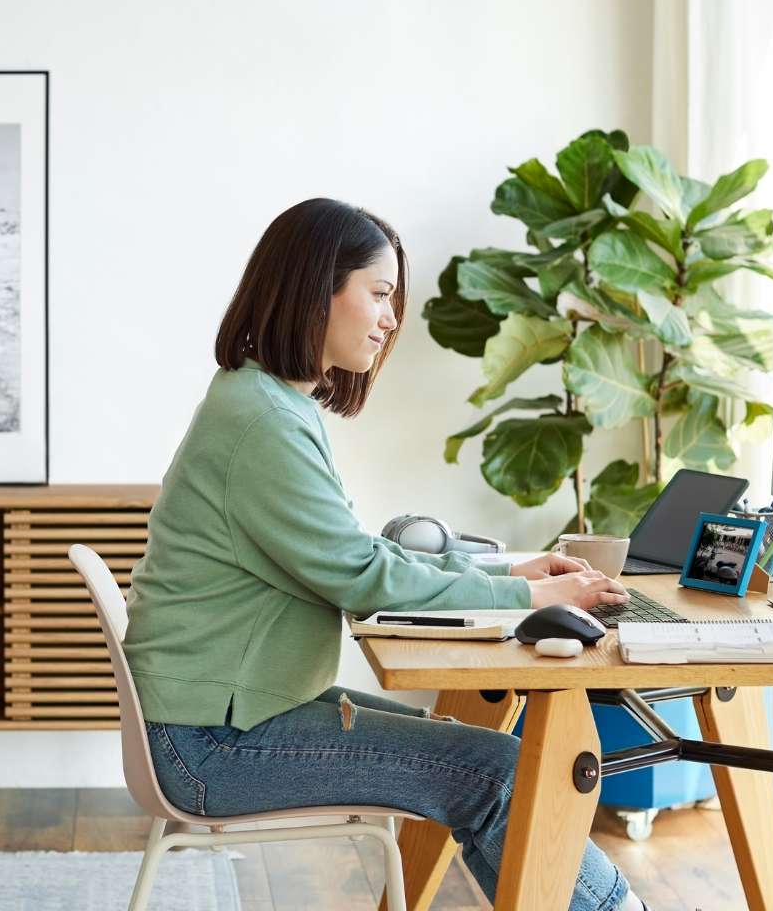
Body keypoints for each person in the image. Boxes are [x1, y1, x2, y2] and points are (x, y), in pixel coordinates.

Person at [122, 198, 645, 911]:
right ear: (316, 291)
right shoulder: (264, 421)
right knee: (499, 773)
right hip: (211, 744)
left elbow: (353, 553)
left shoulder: (267, 402)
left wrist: (509, 572)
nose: (392, 317)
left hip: (229, 717)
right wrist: (533, 601)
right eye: (379, 293)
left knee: (479, 761)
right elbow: (364, 578)